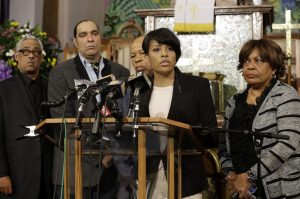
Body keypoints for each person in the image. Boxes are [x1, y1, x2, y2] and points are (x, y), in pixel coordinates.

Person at [48, 19, 130, 198]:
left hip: (113, 170)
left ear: (101, 38)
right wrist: (99, 151)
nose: (90, 39)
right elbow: (64, 123)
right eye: (83, 35)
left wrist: (111, 151)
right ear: (76, 42)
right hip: (75, 167)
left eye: (94, 33)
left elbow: (124, 116)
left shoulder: (121, 72)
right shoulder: (60, 73)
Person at [138, 28, 217, 198]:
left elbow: (212, 134)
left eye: (170, 49)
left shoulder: (197, 86)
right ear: (146, 57)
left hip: (187, 177)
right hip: (149, 177)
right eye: (157, 49)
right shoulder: (140, 90)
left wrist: (189, 132)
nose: (164, 54)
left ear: (177, 54)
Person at [219, 39, 300, 198]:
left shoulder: (286, 95)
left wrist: (250, 176)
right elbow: (224, 142)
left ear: (274, 67)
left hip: (279, 188)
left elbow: (289, 142)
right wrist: (230, 172)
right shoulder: (234, 101)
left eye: (258, 60)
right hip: (241, 189)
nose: (249, 66)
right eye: (246, 61)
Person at [0, 35, 52, 199]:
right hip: (16, 172)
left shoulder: (51, 86)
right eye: (25, 51)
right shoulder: (3, 90)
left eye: (36, 52)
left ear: (42, 58)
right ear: (16, 56)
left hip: (48, 172)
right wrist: (2, 173)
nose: (31, 56)